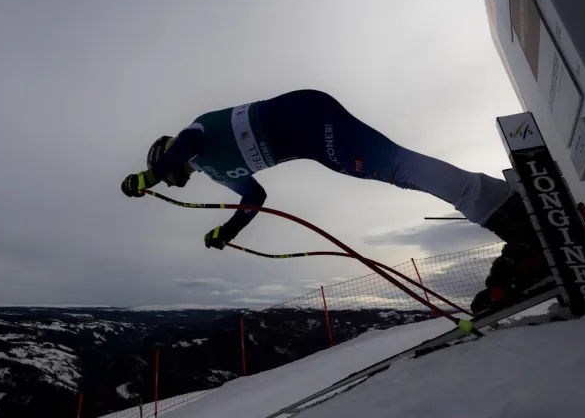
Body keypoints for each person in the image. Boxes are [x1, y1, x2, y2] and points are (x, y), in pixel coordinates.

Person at [120, 89, 550, 314]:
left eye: (167, 175)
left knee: (398, 167)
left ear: (166, 155)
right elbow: (255, 195)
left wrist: (149, 176)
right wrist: (227, 230)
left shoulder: (195, 135)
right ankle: (513, 213)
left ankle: (521, 224)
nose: (173, 182)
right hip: (312, 133)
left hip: (306, 119)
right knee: (400, 170)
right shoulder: (214, 170)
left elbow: (187, 143)